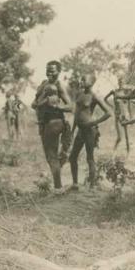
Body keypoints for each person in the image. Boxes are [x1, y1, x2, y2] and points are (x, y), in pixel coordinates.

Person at [32, 60, 72, 193]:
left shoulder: (59, 86)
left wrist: (57, 106)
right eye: (47, 70)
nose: (49, 73)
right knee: (52, 156)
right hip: (45, 123)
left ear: (59, 72)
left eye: (53, 71)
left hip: (54, 123)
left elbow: (70, 106)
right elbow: (34, 104)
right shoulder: (43, 85)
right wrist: (43, 101)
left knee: (51, 156)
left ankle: (58, 187)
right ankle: (56, 181)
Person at [69, 73, 111, 190]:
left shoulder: (94, 96)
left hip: (90, 130)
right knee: (72, 157)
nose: (81, 81)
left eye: (84, 79)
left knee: (90, 158)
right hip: (80, 130)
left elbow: (109, 113)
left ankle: (92, 186)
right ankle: (75, 184)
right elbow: (77, 114)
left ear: (91, 82)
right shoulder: (79, 94)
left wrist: (94, 122)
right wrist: (72, 131)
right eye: (82, 79)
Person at [104, 78, 133, 153]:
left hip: (124, 115)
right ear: (118, 83)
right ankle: (113, 152)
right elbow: (105, 99)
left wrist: (131, 117)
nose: (121, 84)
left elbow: (129, 105)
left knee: (127, 136)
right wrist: (112, 106)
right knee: (119, 137)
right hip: (117, 115)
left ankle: (128, 153)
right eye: (120, 82)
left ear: (124, 83)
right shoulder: (114, 91)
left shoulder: (126, 92)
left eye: (122, 82)